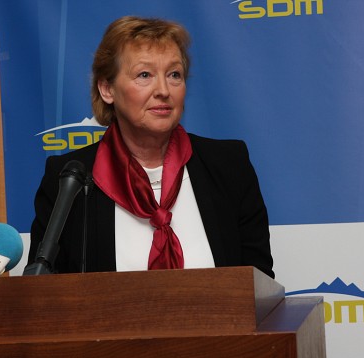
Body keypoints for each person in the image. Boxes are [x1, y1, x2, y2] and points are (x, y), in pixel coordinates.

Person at [26, 16, 274, 278]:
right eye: (144, 75)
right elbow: (45, 290)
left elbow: (258, 284)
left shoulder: (228, 166)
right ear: (107, 89)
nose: (163, 90)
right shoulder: (69, 180)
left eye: (174, 75)